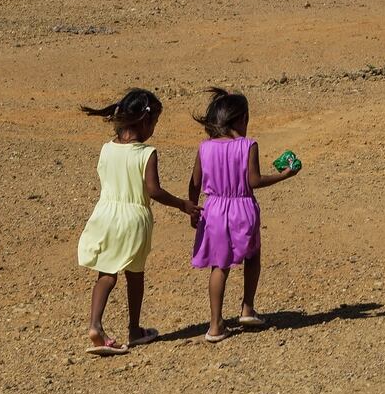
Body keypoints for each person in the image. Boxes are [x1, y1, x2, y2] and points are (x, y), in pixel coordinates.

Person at [76, 88, 198, 356]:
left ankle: (95, 324)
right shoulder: (146, 153)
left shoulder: (106, 149)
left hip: (105, 215)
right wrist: (182, 204)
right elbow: (153, 190)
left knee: (106, 274)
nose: (154, 128)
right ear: (144, 121)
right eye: (154, 122)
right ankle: (134, 329)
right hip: (133, 220)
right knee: (135, 274)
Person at [188, 87, 302, 342]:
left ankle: (215, 325)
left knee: (220, 265)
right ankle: (247, 308)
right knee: (252, 255)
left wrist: (193, 207)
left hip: (213, 210)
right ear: (241, 119)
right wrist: (284, 175)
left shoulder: (204, 148)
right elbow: (254, 181)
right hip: (242, 209)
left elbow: (194, 183)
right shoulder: (248, 145)